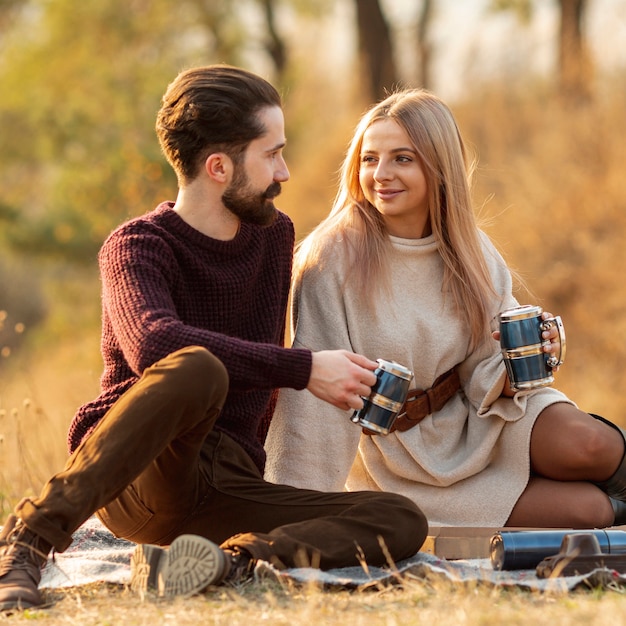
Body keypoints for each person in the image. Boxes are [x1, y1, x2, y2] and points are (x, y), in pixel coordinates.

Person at [0, 66, 428, 612]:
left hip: (226, 485)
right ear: (219, 167)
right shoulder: (136, 247)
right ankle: (28, 541)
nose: (286, 171)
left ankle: (228, 562)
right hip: (140, 475)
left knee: (398, 517)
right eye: (272, 155)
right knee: (197, 366)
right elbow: (155, 344)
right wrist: (303, 368)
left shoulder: (274, 238)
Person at [264, 88, 626, 531]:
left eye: (402, 158)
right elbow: (314, 398)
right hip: (398, 460)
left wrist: (532, 356)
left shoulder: (470, 248)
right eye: (369, 158)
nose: (381, 174)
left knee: (592, 445)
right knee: (589, 512)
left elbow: (486, 368)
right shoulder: (331, 257)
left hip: (481, 419)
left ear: (439, 167)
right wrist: (295, 512)